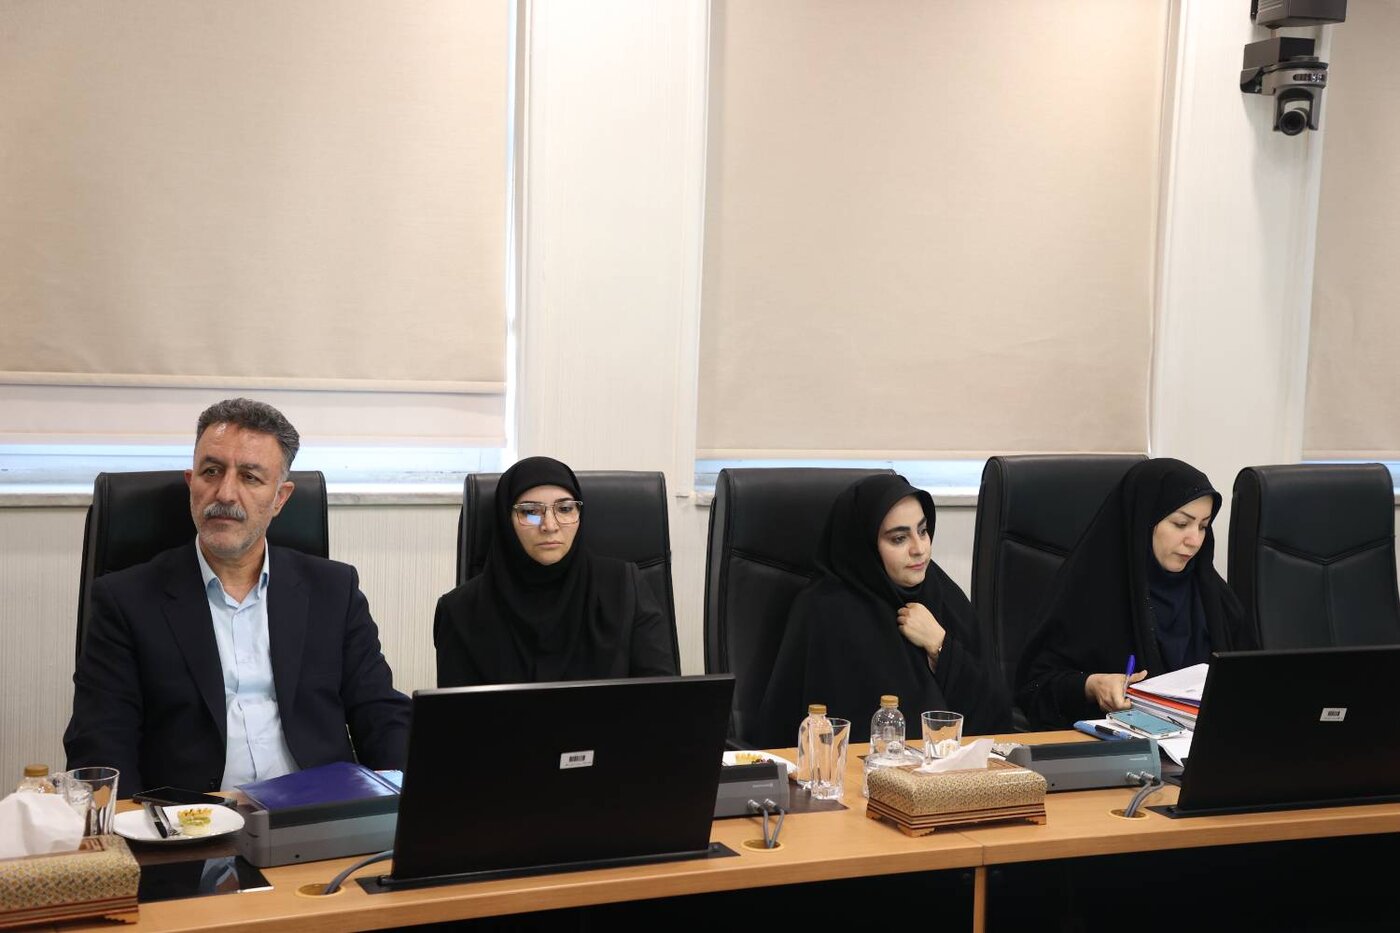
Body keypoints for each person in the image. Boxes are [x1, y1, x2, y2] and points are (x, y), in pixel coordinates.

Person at [64, 398, 411, 794]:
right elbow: (101, 743)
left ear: (280, 498)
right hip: (191, 817)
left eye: (250, 477)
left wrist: (411, 803)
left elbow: (382, 715)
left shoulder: (333, 590)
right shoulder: (126, 600)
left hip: (315, 810)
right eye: (211, 472)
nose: (225, 493)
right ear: (191, 482)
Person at [759, 473, 1012, 746]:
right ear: (866, 545)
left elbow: (995, 709)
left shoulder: (940, 591)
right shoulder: (827, 610)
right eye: (899, 538)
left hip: (958, 766)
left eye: (923, 531)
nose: (919, 549)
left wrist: (939, 645)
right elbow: (834, 733)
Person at [1015, 457, 1259, 730]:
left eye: (1203, 526)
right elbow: (1033, 688)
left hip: (1206, 747)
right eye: (1181, 524)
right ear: (1144, 522)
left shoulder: (1215, 599)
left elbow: (1255, 684)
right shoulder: (1091, 594)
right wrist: (1092, 685)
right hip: (1118, 750)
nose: (1194, 541)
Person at [435, 456, 676, 686]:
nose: (550, 526)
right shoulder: (460, 611)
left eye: (565, 509)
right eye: (530, 512)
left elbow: (663, 697)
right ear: (505, 520)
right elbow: (457, 714)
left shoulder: (624, 588)